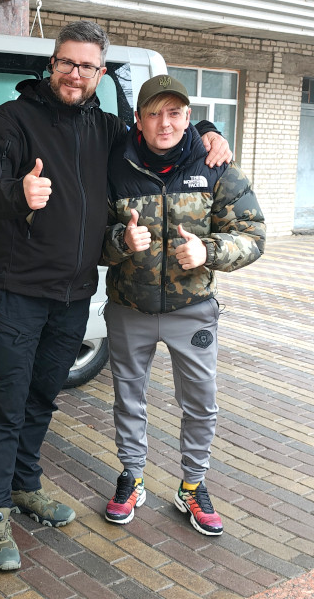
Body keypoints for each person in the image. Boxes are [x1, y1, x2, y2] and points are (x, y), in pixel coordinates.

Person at [0, 21, 231, 571]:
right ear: (52, 64)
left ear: (100, 74)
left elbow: (161, 131)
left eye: (87, 66)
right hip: (19, 288)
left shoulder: (108, 129)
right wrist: (18, 191)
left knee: (42, 396)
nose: (76, 74)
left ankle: (26, 485)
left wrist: (207, 128)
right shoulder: (10, 119)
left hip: (75, 292)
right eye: (67, 62)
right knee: (5, 402)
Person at [101, 74, 265, 536]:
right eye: (154, 113)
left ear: (189, 117)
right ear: (139, 119)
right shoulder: (115, 164)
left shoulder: (215, 165)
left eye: (174, 113)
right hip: (129, 308)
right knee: (128, 399)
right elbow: (87, 238)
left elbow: (254, 236)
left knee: (200, 403)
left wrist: (208, 252)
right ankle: (132, 478)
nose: (164, 123)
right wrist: (119, 240)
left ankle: (192, 485)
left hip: (193, 310)